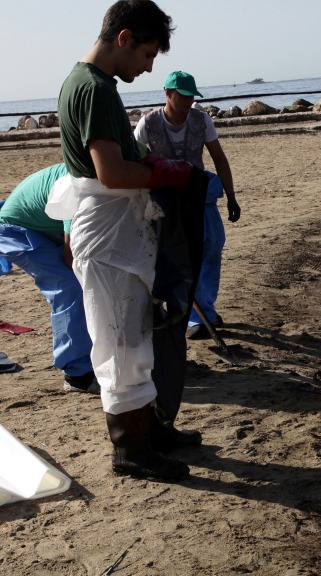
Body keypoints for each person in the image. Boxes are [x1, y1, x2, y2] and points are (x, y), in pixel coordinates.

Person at [56, 0, 201, 481]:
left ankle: (151, 430)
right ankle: (131, 450)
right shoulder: (93, 89)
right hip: (108, 233)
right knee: (120, 344)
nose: (149, 66)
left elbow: (124, 158)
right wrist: (163, 174)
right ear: (124, 39)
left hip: (116, 230)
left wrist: (157, 165)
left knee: (138, 336)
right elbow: (112, 172)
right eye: (147, 54)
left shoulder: (95, 86)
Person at [134, 70, 241, 340]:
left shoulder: (201, 120)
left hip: (199, 195)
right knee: (174, 256)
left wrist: (231, 196)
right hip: (166, 200)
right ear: (168, 94)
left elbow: (219, 158)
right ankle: (190, 315)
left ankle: (205, 309)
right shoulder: (148, 123)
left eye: (192, 95)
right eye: (183, 95)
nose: (188, 101)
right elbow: (133, 159)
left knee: (212, 247)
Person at [0, 164, 98, 394]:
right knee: (69, 288)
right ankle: (77, 374)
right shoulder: (80, 186)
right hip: (17, 229)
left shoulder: (119, 166)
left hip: (45, 227)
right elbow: (70, 256)